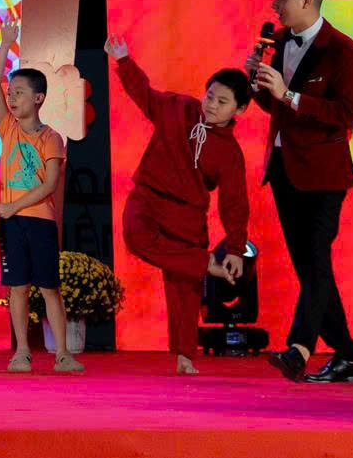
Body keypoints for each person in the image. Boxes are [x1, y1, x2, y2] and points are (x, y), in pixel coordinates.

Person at [249, 0, 353, 384]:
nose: (274, 4)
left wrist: (289, 95)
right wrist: (258, 85)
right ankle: (348, 356)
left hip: (324, 174)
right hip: (284, 168)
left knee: (316, 258)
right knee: (309, 266)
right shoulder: (280, 42)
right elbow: (277, 108)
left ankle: (299, 349)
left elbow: (346, 114)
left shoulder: (343, 51)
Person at [107, 37, 253, 374]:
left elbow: (234, 203)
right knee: (135, 236)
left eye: (222, 102)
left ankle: (185, 356)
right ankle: (204, 263)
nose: (211, 105)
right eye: (210, 96)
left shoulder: (230, 154)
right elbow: (145, 96)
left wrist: (235, 248)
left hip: (188, 214)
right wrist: (124, 61)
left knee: (184, 286)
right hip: (149, 198)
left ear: (240, 110)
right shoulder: (179, 107)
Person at [0, 42, 81, 374]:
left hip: (39, 221)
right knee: (18, 287)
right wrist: (4, 43)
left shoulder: (51, 138)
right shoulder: (8, 127)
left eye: (20, 93)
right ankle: (22, 352)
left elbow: (49, 185)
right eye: (10, 92)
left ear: (38, 98)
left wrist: (13, 206)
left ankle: (63, 354)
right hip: (12, 223)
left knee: (49, 287)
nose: (12, 98)